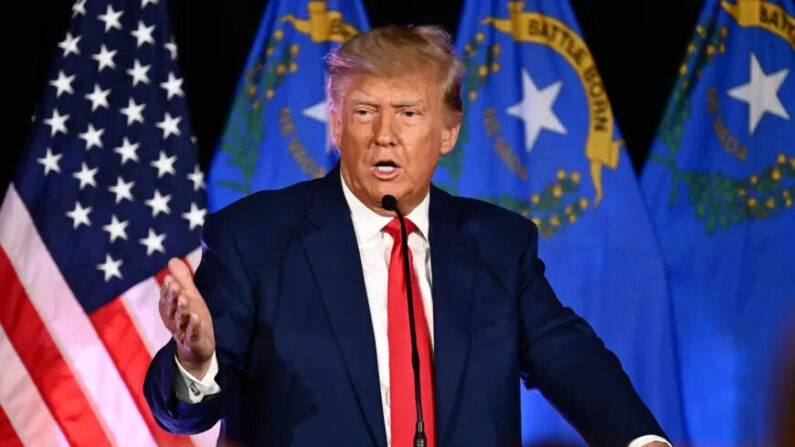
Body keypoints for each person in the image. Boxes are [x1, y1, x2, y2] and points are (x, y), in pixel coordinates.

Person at [144, 26, 671, 447]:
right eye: (365, 112)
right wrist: (195, 364)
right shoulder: (253, 238)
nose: (385, 135)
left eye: (409, 114)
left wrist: (641, 440)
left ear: (448, 132)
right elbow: (186, 416)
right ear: (335, 123)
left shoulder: (498, 245)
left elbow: (569, 357)